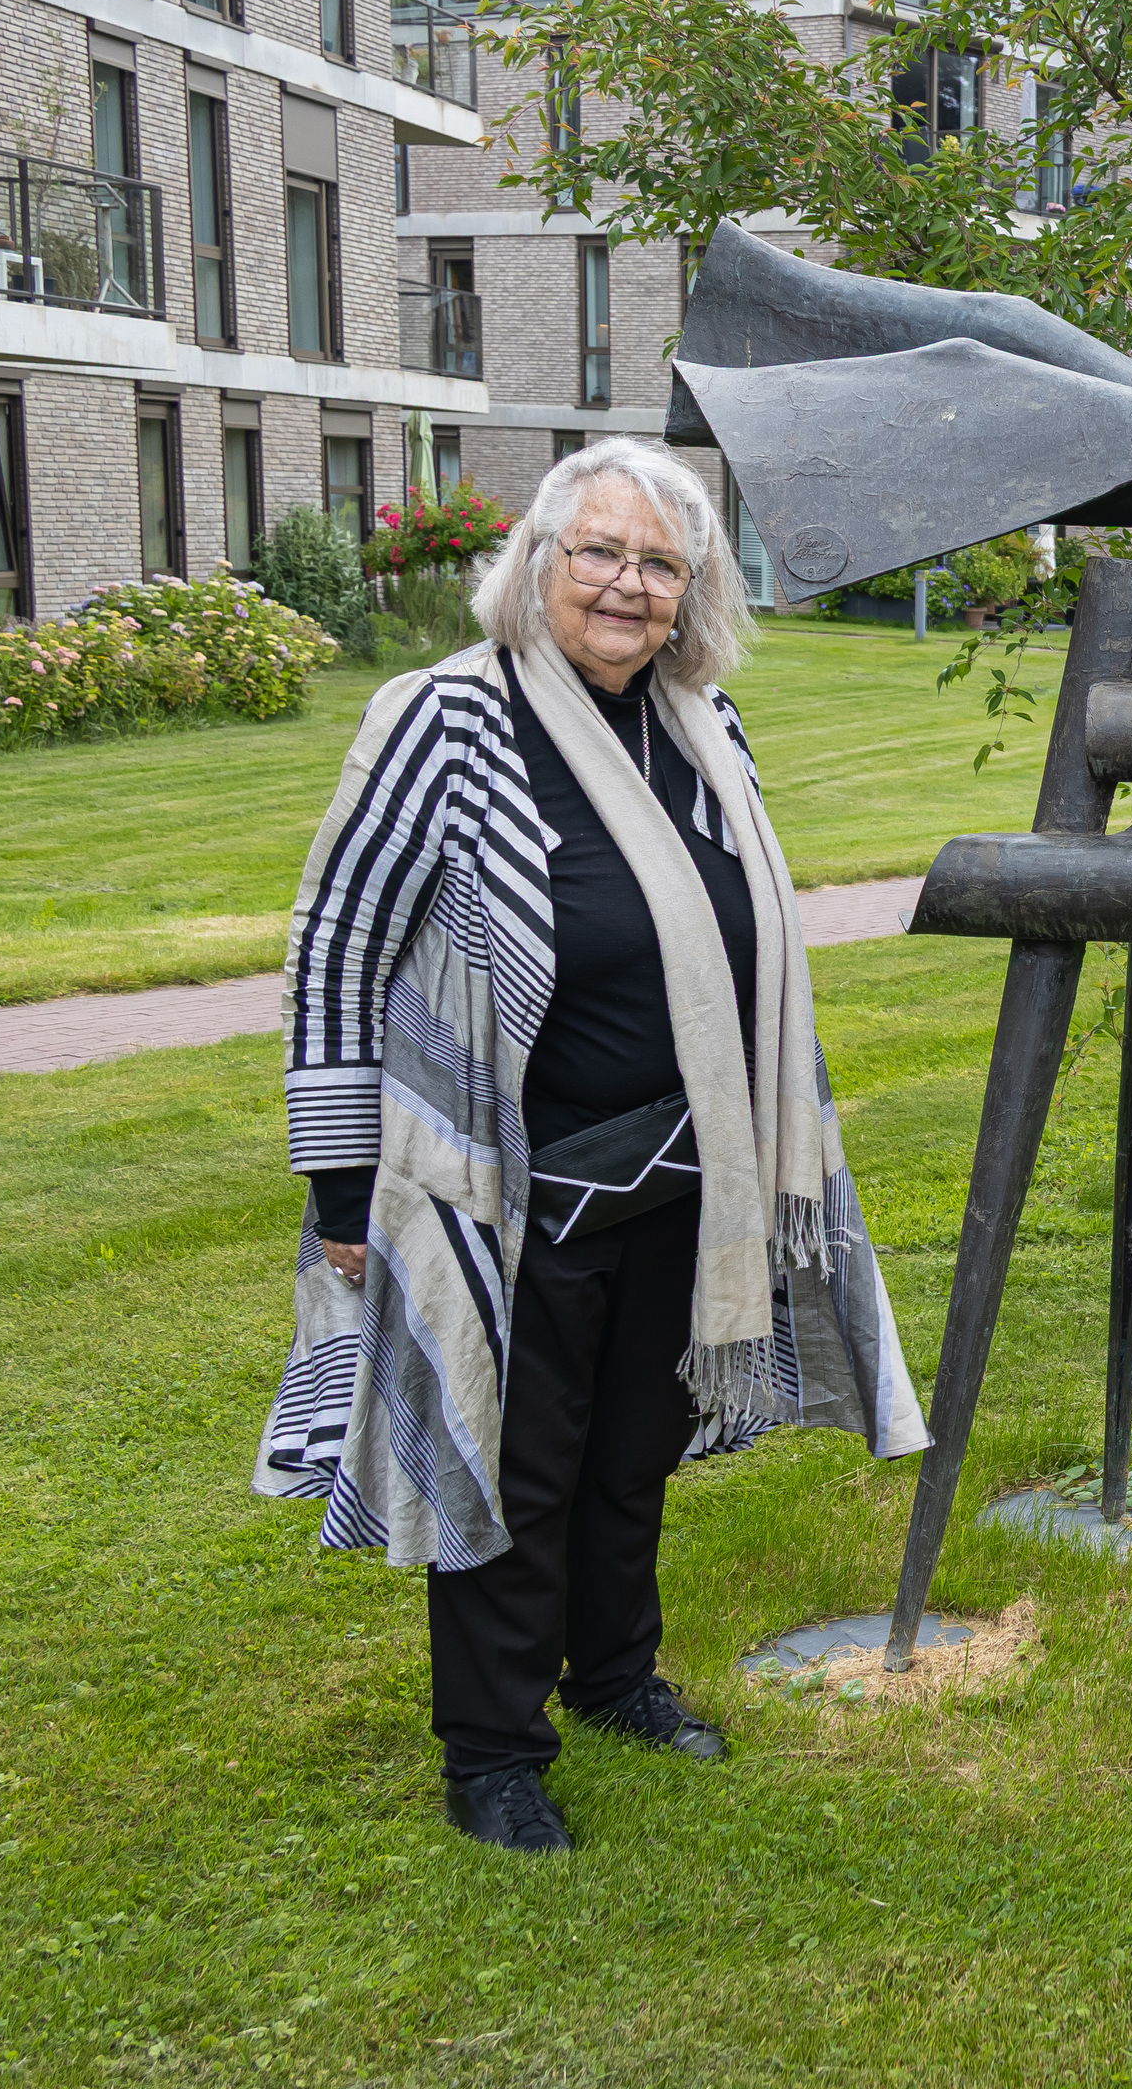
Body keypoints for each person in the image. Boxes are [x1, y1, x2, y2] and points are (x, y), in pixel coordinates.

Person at [251, 438, 928, 1854]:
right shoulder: (441, 719)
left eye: (661, 563)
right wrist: (336, 1179)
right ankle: (493, 1752)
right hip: (512, 1183)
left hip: (694, 1169)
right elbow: (337, 942)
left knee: (636, 1446)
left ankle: (615, 1677)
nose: (630, 585)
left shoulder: (703, 724)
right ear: (539, 564)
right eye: (603, 554)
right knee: (511, 1466)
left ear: (692, 593)